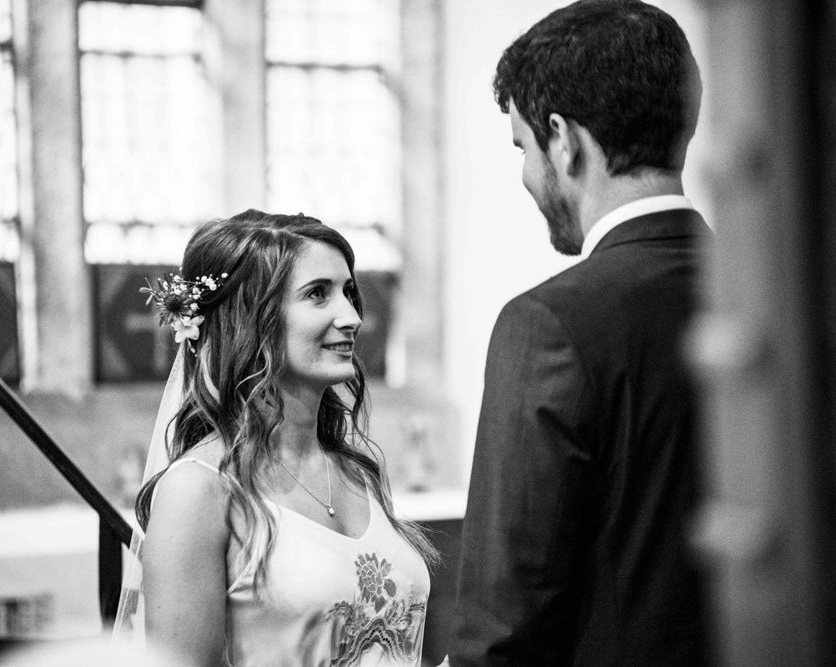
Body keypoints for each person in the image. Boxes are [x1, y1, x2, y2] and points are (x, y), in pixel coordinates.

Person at [450, 1, 712, 665]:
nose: (526, 174)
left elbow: (503, 619)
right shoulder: (770, 303)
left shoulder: (551, 324)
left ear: (563, 140)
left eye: (523, 146)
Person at [116, 209, 439, 666]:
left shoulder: (355, 469)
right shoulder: (199, 490)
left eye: (348, 292)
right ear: (251, 317)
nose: (351, 317)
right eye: (317, 294)